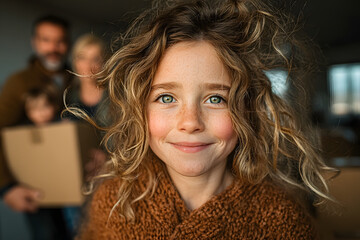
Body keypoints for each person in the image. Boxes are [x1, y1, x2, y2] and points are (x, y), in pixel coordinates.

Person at [77, 0, 335, 239]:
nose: (190, 122)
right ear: (139, 109)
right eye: (166, 98)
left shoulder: (284, 220)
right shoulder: (111, 203)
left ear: (246, 109)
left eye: (215, 99)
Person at [0, 14, 72, 240]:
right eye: (46, 40)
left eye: (59, 41)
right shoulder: (19, 82)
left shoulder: (78, 77)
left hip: (77, 179)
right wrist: (6, 187)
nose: (53, 47)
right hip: (36, 184)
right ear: (35, 42)